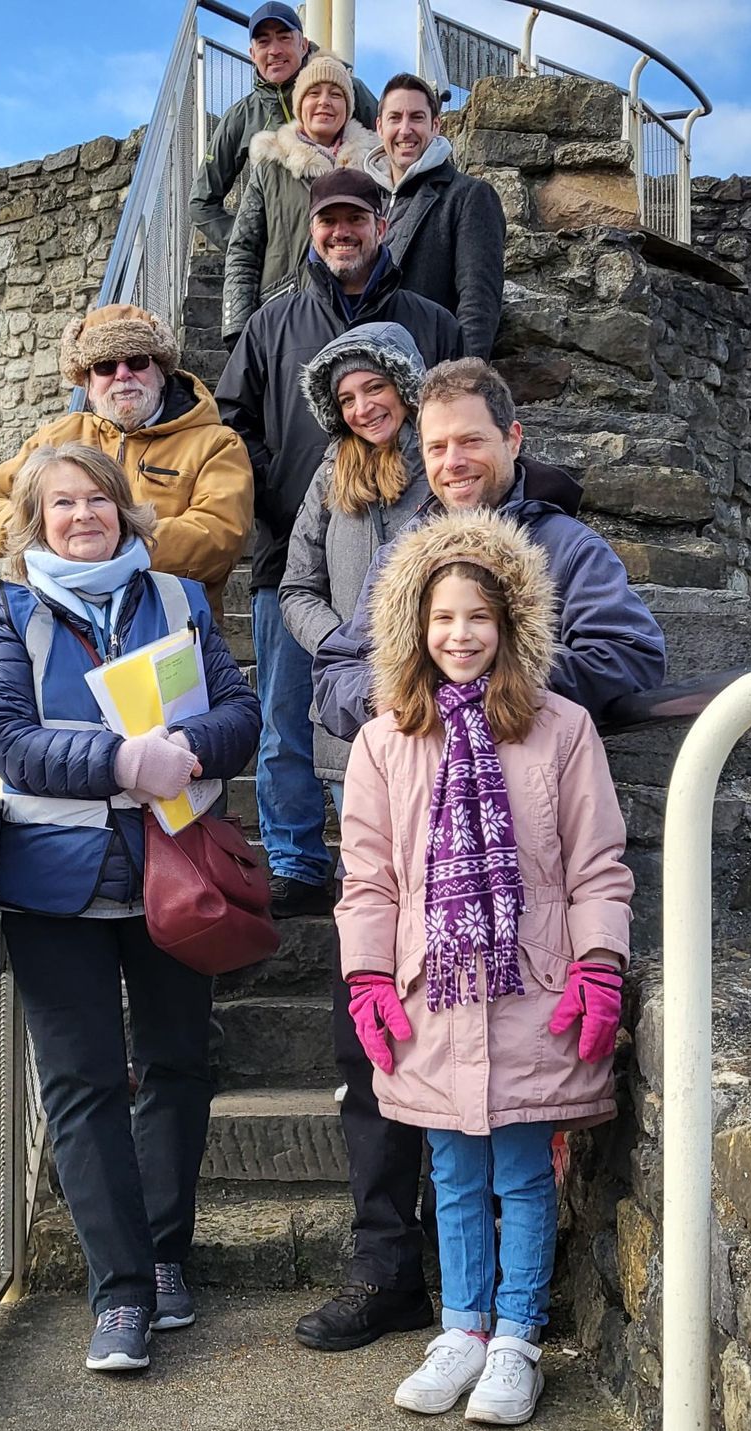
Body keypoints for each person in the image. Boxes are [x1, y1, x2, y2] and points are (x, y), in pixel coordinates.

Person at [295, 360, 664, 1353]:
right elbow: (336, 674)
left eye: (469, 440)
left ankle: (513, 1318)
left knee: (511, 1135)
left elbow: (632, 657)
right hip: (411, 857)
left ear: (512, 440)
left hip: (520, 879)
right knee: (373, 1065)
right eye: (435, 445)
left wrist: (511, 688)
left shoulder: (567, 548)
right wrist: (400, 697)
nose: (451, 460)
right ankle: (391, 1271)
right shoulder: (407, 553)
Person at [0, 442, 259, 1374]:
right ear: (34, 523)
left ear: (124, 510)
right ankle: (120, 1293)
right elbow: (9, 740)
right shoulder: (4, 610)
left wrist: (187, 748)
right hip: (53, 887)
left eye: (97, 499)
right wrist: (118, 762)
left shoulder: (177, 599)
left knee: (176, 1063)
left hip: (175, 876)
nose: (83, 516)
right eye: (62, 505)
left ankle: (167, 1256)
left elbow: (241, 711)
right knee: (83, 1085)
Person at [335, 507, 633, 1422]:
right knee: (453, 1174)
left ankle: (515, 1338)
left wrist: (598, 966)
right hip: (434, 993)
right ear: (413, 630)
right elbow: (368, 875)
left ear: (509, 626)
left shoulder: (561, 728)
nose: (459, 636)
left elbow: (594, 862)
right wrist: (368, 979)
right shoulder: (385, 739)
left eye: (477, 617)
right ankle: (460, 1329)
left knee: (518, 1170)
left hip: (529, 989)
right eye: (441, 619)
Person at [217, 169, 463, 918]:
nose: (340, 232)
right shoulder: (271, 322)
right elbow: (234, 425)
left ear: (381, 224)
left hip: (414, 568)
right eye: (327, 221)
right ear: (313, 230)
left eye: (355, 218)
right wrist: (283, 503)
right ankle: (294, 859)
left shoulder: (430, 321)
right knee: (288, 717)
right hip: (295, 555)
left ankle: (401, 854)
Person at [0, 302, 252, 620]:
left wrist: (111, 544)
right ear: (87, 381)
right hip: (64, 625)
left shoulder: (216, 444)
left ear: (159, 368)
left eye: (137, 361)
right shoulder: (62, 436)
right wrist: (42, 528)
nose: (123, 374)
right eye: (105, 366)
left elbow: (219, 535)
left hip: (168, 624)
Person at [279, 321, 427, 808]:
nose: (362, 409)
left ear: (404, 387)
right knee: (366, 871)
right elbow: (297, 588)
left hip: (431, 700)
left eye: (374, 388)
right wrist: (339, 646)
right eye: (347, 399)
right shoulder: (328, 477)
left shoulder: (442, 466)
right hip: (352, 709)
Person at [189, 1, 378, 252]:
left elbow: (392, 151)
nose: (274, 50)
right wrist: (253, 244)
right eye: (263, 42)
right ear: (252, 53)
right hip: (283, 273)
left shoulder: (346, 90)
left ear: (303, 44)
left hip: (348, 250)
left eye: (284, 38)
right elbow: (201, 203)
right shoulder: (241, 117)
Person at [221, 49, 379, 347]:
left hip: (359, 320)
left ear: (348, 105)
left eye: (335, 94)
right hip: (282, 322)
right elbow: (243, 251)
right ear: (299, 104)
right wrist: (237, 329)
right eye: (313, 93)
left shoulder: (375, 167)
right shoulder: (270, 168)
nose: (324, 102)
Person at [365, 73, 506, 358]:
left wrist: (465, 383)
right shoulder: (362, 201)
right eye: (395, 118)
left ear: (436, 125)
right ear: (380, 127)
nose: (405, 130)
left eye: (416, 117)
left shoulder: (468, 196)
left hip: (432, 377)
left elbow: (478, 304)